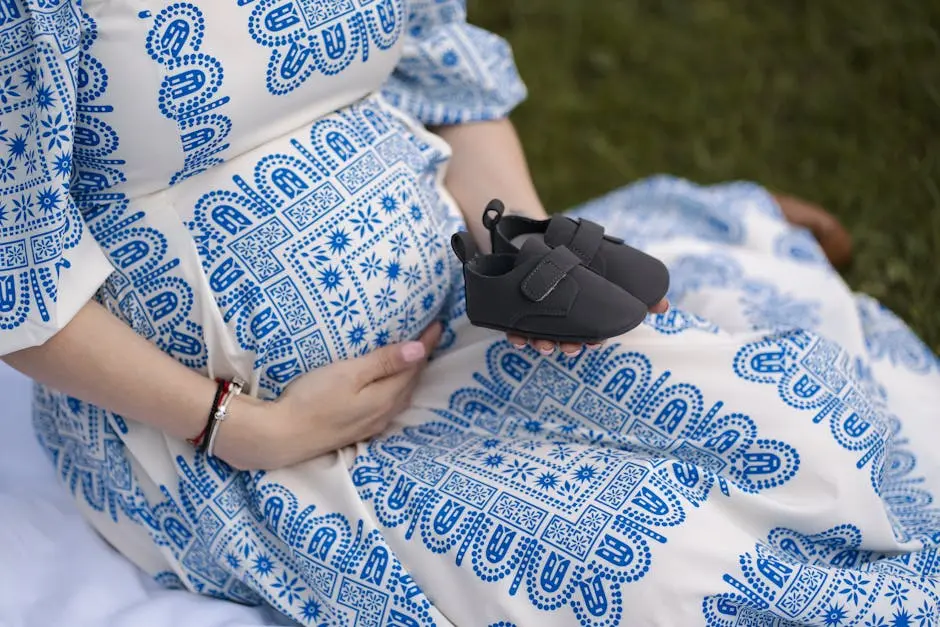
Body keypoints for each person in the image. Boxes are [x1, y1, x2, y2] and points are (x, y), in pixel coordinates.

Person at [1, 1, 937, 625]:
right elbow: (16, 270)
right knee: (655, 571)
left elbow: (443, 75)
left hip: (461, 309)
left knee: (807, 427)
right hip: (217, 432)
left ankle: (717, 231)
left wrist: (522, 250)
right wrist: (243, 427)